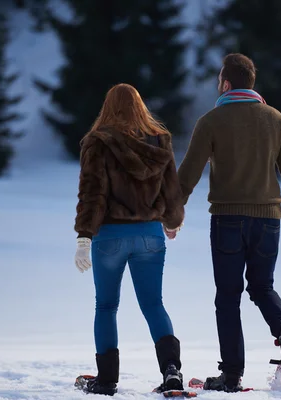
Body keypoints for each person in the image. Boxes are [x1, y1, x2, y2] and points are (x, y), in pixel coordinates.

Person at [176, 53, 281, 392]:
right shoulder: (275, 119)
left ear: (227, 84)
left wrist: (171, 212)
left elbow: (188, 173)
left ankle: (231, 375)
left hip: (228, 219)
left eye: (220, 81)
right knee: (262, 287)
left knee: (228, 296)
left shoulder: (212, 120)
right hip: (269, 221)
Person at [73, 83, 186, 396]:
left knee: (106, 306)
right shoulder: (159, 139)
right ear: (140, 108)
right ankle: (172, 371)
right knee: (153, 304)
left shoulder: (97, 142)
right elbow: (172, 190)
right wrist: (172, 222)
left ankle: (107, 380)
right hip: (150, 235)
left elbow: (92, 193)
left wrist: (84, 236)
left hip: (109, 237)